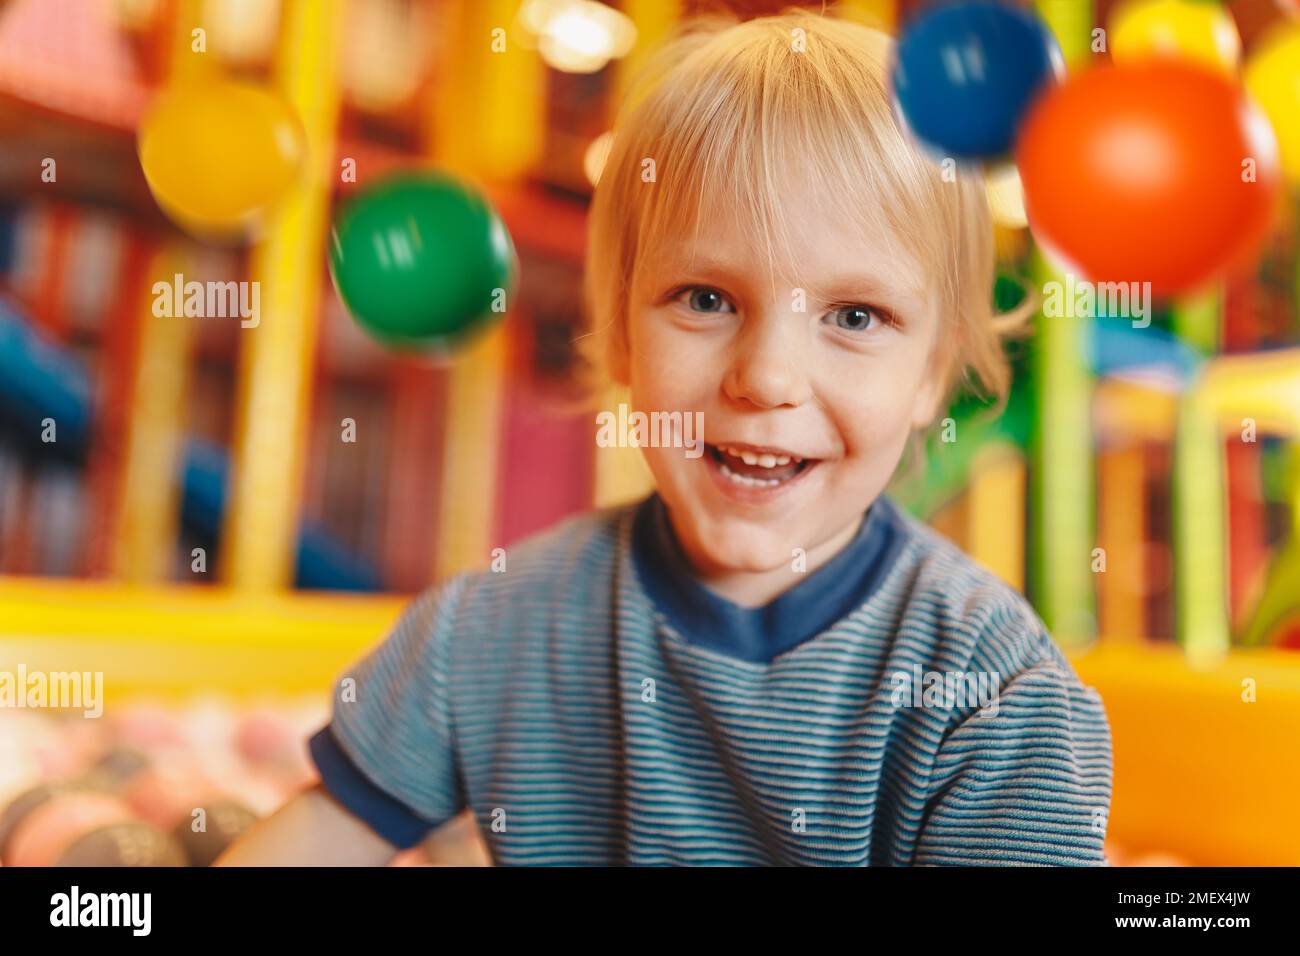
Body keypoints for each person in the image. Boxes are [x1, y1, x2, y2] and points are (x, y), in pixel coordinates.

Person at [219, 9, 1112, 867]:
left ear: (929, 374)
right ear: (618, 331)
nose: (766, 377)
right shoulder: (494, 632)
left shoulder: (991, 694)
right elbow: (324, 833)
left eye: (855, 315)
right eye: (708, 299)